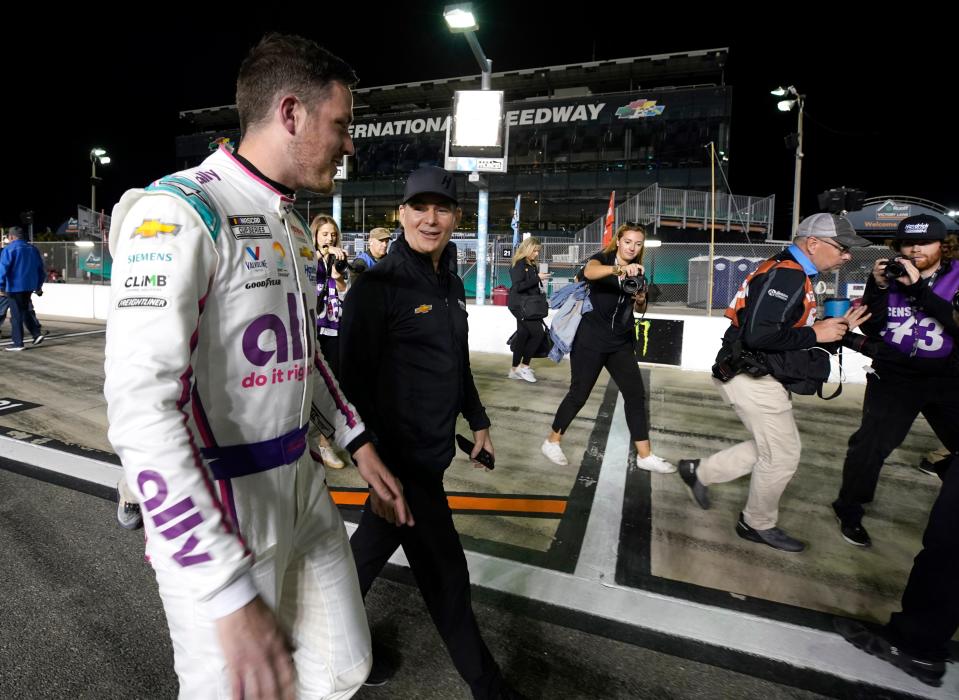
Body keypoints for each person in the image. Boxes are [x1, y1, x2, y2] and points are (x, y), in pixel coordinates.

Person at [103, 33, 411, 699]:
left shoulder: (293, 225)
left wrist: (355, 440)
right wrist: (221, 587)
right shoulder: (178, 210)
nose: (350, 143)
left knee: (341, 669)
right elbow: (139, 406)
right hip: (223, 508)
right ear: (292, 113)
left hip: (300, 485)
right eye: (342, 124)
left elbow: (305, 353)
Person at [339, 166, 516, 699]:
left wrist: (477, 419)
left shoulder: (451, 283)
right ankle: (490, 689)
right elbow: (350, 383)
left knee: (357, 566)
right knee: (447, 582)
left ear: (457, 217)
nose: (430, 218)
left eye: (441, 208)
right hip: (402, 466)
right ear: (401, 213)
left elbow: (454, 362)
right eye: (420, 207)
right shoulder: (378, 286)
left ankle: (322, 645)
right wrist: (377, 468)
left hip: (432, 453)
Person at [678, 213, 871, 553]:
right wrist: (817, 332)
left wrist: (831, 329)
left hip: (753, 372)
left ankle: (699, 471)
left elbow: (779, 329)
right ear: (813, 243)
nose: (847, 256)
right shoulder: (788, 274)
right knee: (783, 455)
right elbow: (760, 334)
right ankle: (756, 523)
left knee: (770, 448)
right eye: (841, 248)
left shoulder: (788, 269)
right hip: (753, 375)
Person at [832, 214, 959, 547]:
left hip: (948, 376)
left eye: (925, 242)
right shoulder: (891, 274)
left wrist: (918, 290)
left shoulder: (958, 276)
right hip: (895, 377)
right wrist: (879, 286)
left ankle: (944, 468)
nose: (915, 249)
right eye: (907, 243)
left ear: (943, 246)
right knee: (870, 446)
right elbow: (873, 328)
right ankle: (848, 508)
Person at [541, 222, 674, 474]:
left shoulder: (639, 271)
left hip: (620, 342)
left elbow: (637, 309)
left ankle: (645, 455)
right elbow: (589, 272)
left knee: (635, 394)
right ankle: (552, 441)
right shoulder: (603, 258)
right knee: (579, 394)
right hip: (590, 340)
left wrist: (640, 298)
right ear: (619, 241)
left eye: (637, 243)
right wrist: (619, 269)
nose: (632, 247)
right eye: (627, 242)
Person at [310, 213, 348, 469]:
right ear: (315, 236)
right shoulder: (308, 258)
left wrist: (337, 273)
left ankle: (326, 444)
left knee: (333, 388)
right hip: (312, 328)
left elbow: (345, 289)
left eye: (333, 234)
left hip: (334, 328)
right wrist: (322, 261)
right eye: (325, 234)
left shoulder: (339, 258)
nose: (330, 238)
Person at [508, 236, 549, 383]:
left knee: (523, 335)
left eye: (538, 251)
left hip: (529, 305)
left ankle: (514, 370)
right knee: (537, 334)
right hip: (520, 306)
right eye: (535, 251)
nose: (537, 254)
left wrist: (538, 279)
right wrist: (537, 278)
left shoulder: (531, 264)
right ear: (528, 249)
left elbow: (530, 285)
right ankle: (524, 367)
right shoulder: (519, 264)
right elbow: (518, 287)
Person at [0, 226, 47, 351]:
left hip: (14, 288)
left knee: (16, 316)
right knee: (24, 311)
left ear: (11, 237)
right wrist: (38, 286)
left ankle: (17, 343)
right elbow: (41, 270)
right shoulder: (32, 249)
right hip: (28, 287)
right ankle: (36, 334)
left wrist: (0, 285)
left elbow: (3, 269)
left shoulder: (9, 249)